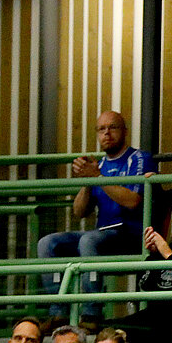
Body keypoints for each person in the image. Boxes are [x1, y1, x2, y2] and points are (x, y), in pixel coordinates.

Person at [36, 111, 153, 320]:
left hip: (131, 235)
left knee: (89, 240)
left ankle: (91, 314)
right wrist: (87, 181)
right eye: (101, 129)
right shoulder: (98, 165)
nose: (107, 133)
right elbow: (79, 211)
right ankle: (57, 314)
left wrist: (98, 176)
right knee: (47, 243)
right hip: (101, 235)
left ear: (124, 131)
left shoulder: (139, 158)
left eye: (113, 127)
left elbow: (132, 200)